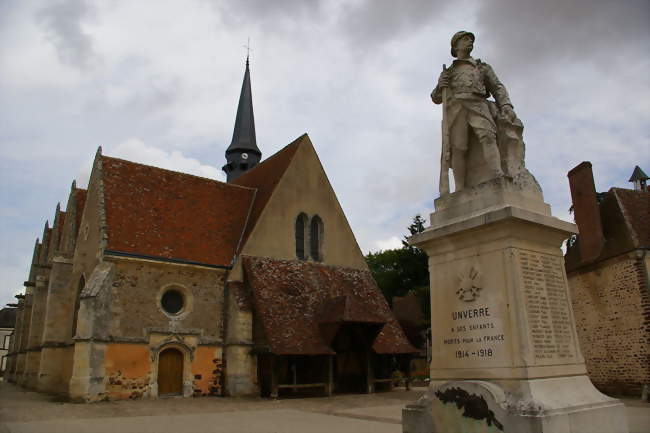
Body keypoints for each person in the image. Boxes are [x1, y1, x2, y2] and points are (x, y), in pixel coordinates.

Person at [432, 31, 518, 192]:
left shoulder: (482, 67)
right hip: (456, 108)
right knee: (459, 148)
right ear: (455, 45)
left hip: (478, 104)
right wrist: (440, 85)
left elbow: (497, 87)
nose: (470, 41)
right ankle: (459, 188)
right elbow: (436, 98)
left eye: (471, 39)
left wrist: (506, 104)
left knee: (488, 136)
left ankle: (497, 174)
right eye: (465, 39)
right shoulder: (448, 72)